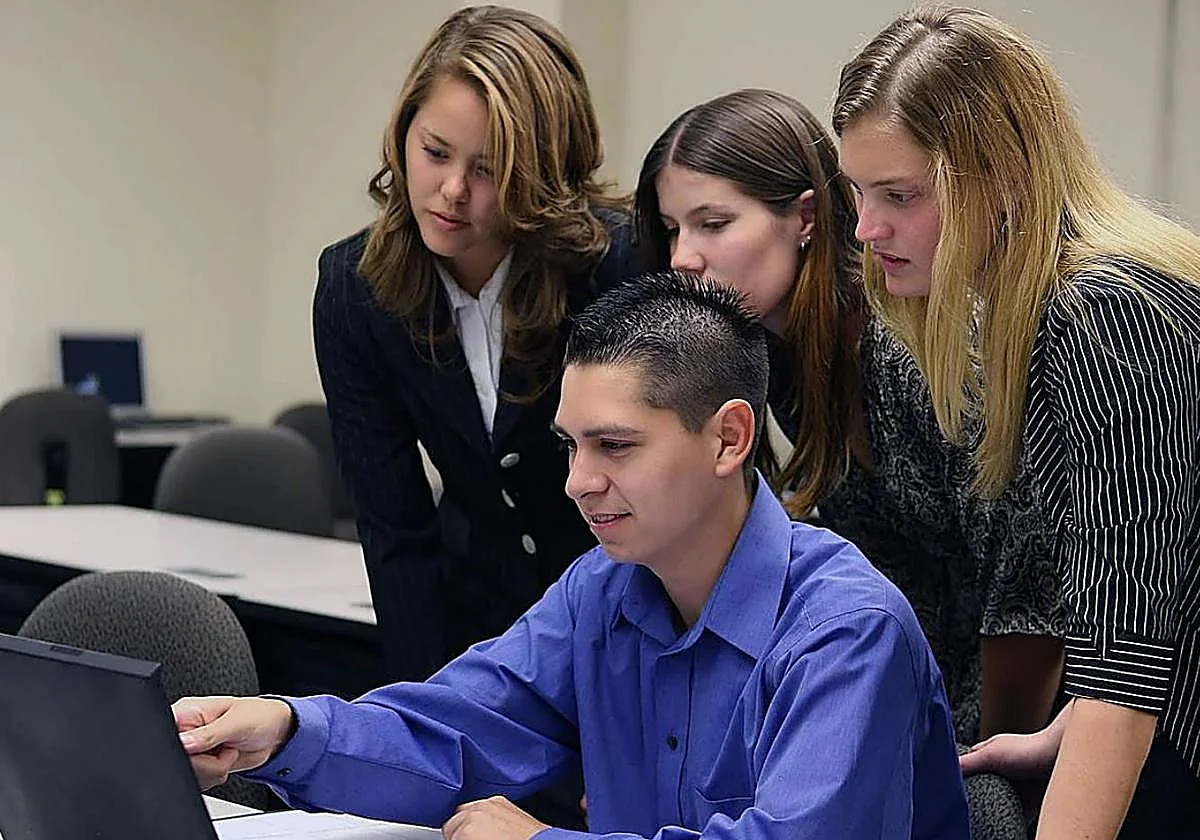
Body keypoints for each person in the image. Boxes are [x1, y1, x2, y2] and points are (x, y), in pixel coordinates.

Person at [174, 272, 970, 840]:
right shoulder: (606, 588)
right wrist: (282, 729)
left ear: (729, 438)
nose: (580, 482)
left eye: (615, 446)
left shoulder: (845, 631)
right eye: (571, 446)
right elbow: (454, 732)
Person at [831, 6, 1200, 838]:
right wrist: (1068, 729)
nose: (866, 228)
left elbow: (1127, 659)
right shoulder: (1025, 313)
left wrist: (1091, 723)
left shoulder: (1109, 316)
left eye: (899, 195)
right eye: (858, 191)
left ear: (999, 177)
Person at [634, 87, 1062, 745]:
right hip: (934, 705)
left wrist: (977, 766)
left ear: (805, 217)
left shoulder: (901, 343)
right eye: (672, 229)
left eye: (713, 224)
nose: (682, 257)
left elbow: (1026, 591)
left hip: (1047, 720)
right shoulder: (782, 362)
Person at [313, 4, 634, 690]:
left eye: (488, 170)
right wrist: (428, 728)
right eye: (434, 153)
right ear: (404, 131)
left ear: (541, 173)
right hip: (474, 633)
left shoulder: (617, 265)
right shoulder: (353, 289)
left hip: (625, 632)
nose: (452, 191)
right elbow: (395, 533)